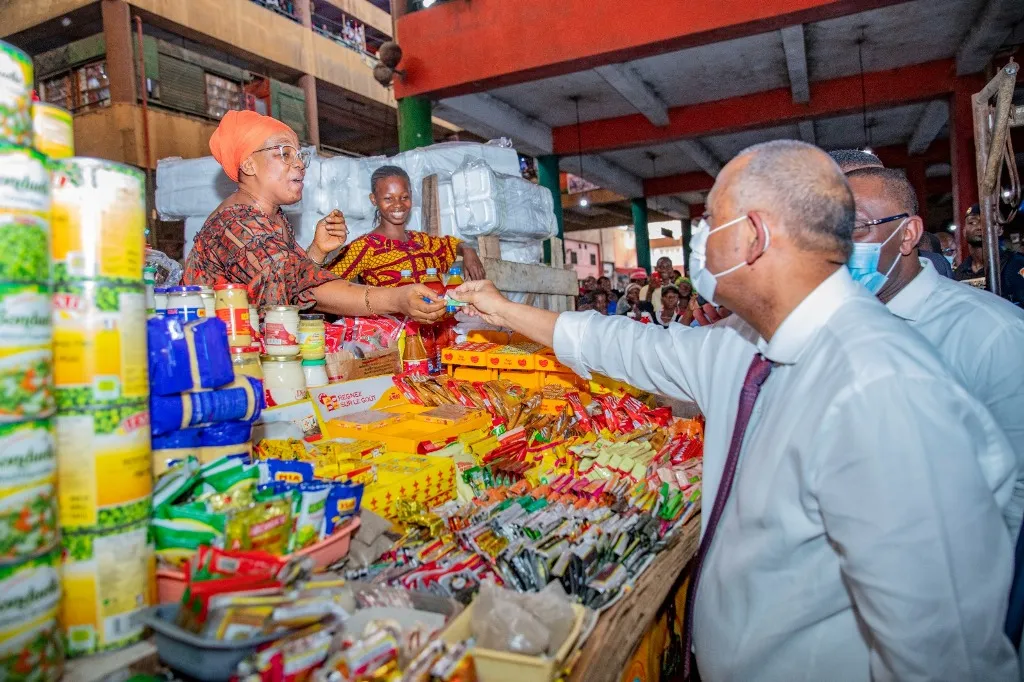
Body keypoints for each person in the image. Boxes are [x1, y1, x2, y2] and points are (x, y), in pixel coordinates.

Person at [454, 140, 1018, 681]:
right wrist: (501, 310)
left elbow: (943, 651)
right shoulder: (742, 344)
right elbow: (626, 346)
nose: (700, 243)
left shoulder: (879, 387)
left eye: (708, 224)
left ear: (752, 236)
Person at [846, 166, 1024, 536]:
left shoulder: (992, 334)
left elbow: (1017, 495)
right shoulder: (832, 326)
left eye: (855, 227)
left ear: (908, 234)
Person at [183, 111, 443, 322]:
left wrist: (317, 251)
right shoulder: (237, 226)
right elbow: (307, 288)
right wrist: (395, 300)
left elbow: (284, 286)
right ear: (249, 164)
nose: (298, 164)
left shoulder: (271, 217)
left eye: (299, 155)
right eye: (284, 154)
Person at [329, 165, 486, 286]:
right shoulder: (364, 247)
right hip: (390, 328)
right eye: (388, 199)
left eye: (404, 197)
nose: (398, 205)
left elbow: (452, 244)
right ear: (374, 199)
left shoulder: (422, 241)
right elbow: (325, 286)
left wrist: (468, 250)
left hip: (436, 326)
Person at [954, 204, 1024, 306]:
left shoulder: (1016, 264)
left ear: (1000, 230)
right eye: (972, 222)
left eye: (986, 222)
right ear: (964, 232)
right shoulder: (960, 272)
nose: (979, 226)